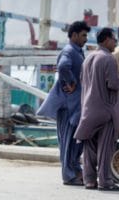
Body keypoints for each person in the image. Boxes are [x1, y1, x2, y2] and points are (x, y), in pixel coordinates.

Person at [37, 20, 91, 186]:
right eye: (83, 35)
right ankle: (68, 175)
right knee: (68, 142)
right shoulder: (69, 51)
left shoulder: (78, 51)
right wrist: (71, 83)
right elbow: (62, 67)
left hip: (76, 105)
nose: (85, 39)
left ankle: (75, 171)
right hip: (68, 106)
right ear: (74, 35)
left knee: (75, 142)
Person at [74, 27, 119, 191]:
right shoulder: (108, 58)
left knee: (89, 148)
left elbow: (83, 81)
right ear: (106, 40)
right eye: (114, 39)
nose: (116, 42)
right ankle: (105, 181)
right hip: (105, 110)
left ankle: (89, 181)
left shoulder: (88, 58)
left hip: (88, 110)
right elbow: (113, 84)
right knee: (105, 148)